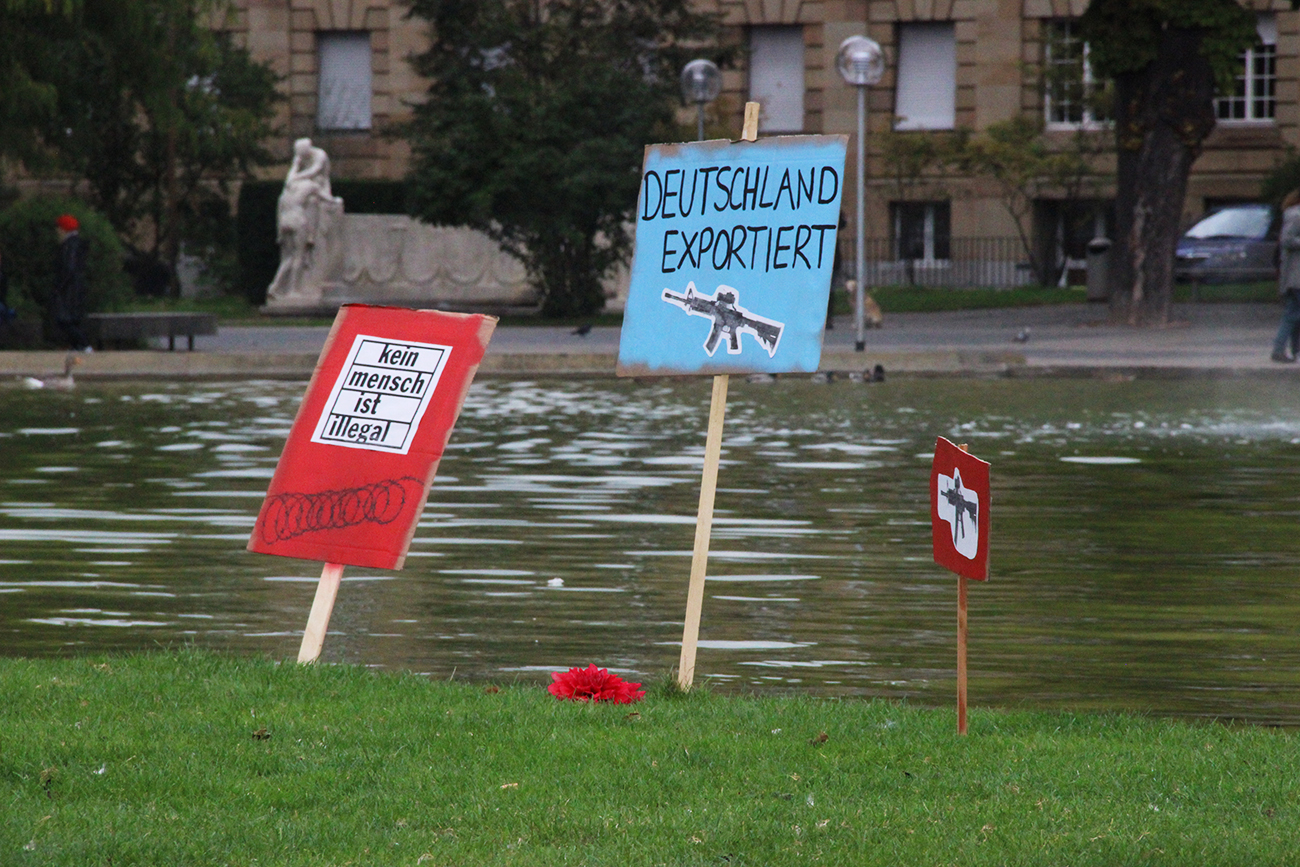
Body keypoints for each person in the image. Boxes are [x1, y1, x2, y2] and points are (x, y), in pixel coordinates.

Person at [266, 137, 343, 301]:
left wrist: (295, 165)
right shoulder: (311, 186)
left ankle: (275, 287)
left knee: (288, 258)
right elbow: (327, 198)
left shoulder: (289, 188)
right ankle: (293, 290)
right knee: (299, 256)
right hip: (297, 221)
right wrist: (336, 201)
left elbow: (281, 204)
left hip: (285, 221)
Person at [52, 214, 90, 351]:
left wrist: (59, 286)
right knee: (72, 319)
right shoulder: (77, 244)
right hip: (75, 287)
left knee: (64, 319)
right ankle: (77, 346)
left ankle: (84, 345)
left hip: (69, 289)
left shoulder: (69, 245)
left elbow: (69, 268)